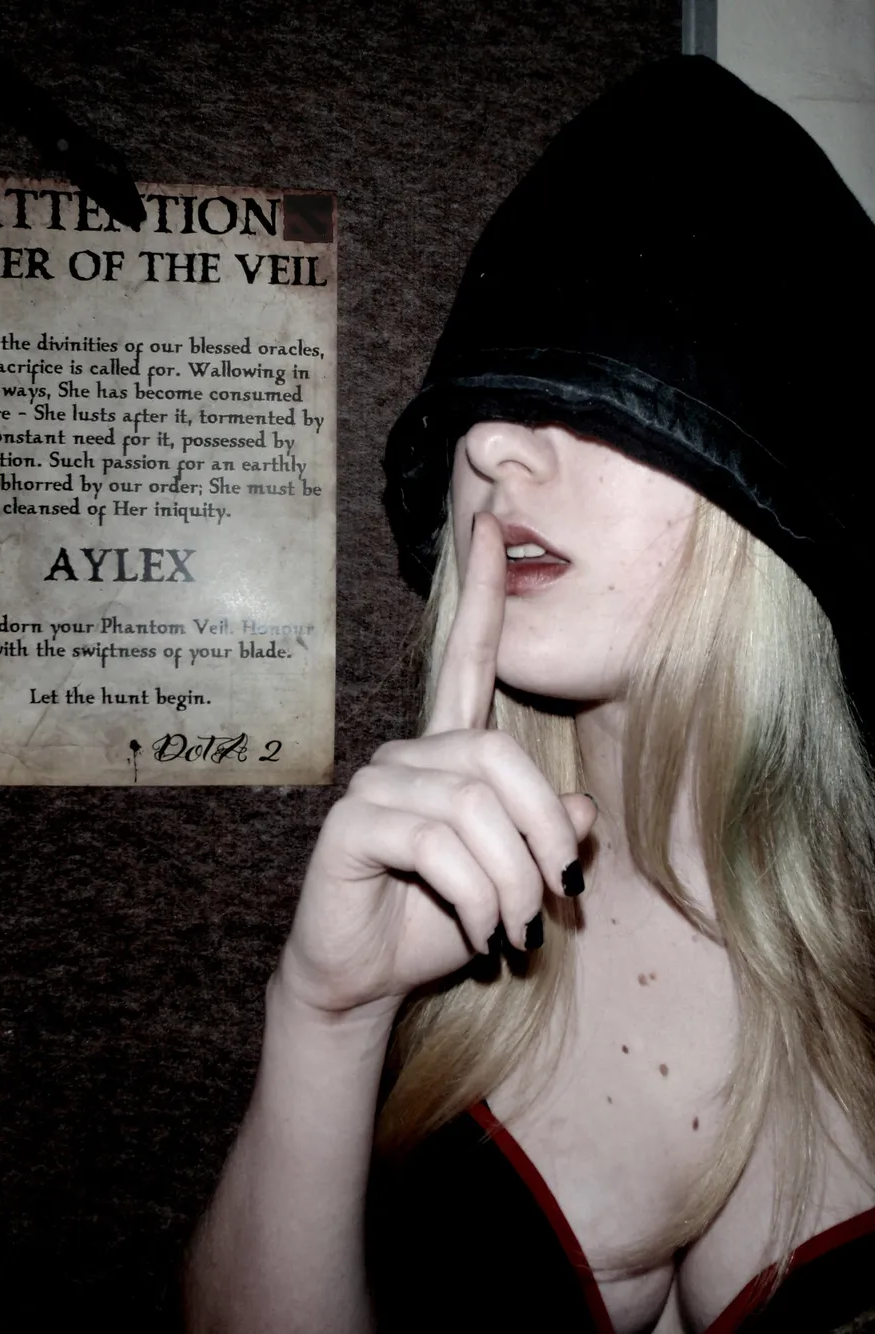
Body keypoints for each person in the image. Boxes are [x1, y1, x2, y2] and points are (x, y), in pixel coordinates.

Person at [184, 55, 875, 1333]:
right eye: (490, 394)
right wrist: (328, 1011)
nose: (492, 442)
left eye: (596, 383)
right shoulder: (414, 909)